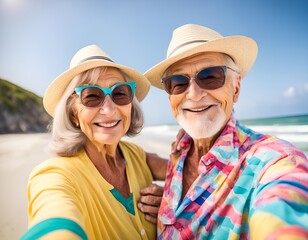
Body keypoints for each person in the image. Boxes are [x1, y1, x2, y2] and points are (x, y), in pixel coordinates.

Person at [144, 24, 308, 239]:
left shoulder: (274, 160)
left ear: (236, 88)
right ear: (170, 96)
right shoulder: (180, 149)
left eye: (210, 76)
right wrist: (172, 202)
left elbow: (283, 208)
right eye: (179, 82)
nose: (193, 94)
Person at [20, 45, 167, 240]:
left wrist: (171, 201)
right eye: (92, 96)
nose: (109, 109)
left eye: (120, 93)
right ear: (73, 113)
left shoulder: (136, 155)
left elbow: (193, 173)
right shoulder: (55, 175)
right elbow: (54, 221)